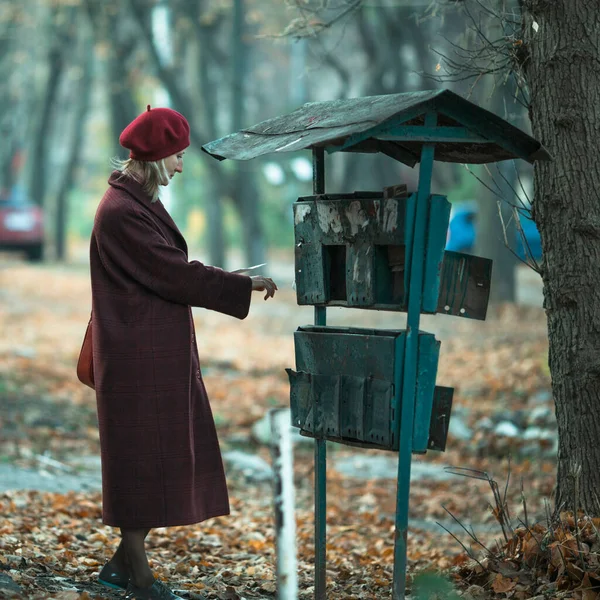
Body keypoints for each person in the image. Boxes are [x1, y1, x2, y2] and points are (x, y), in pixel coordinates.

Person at [89, 105, 277, 600]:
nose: (181, 165)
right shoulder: (122, 211)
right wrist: (242, 284)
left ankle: (119, 568)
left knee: (153, 461)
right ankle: (142, 580)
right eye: (177, 156)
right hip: (136, 359)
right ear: (155, 157)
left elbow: (169, 269)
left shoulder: (136, 202)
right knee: (139, 464)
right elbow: (174, 273)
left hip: (151, 355)